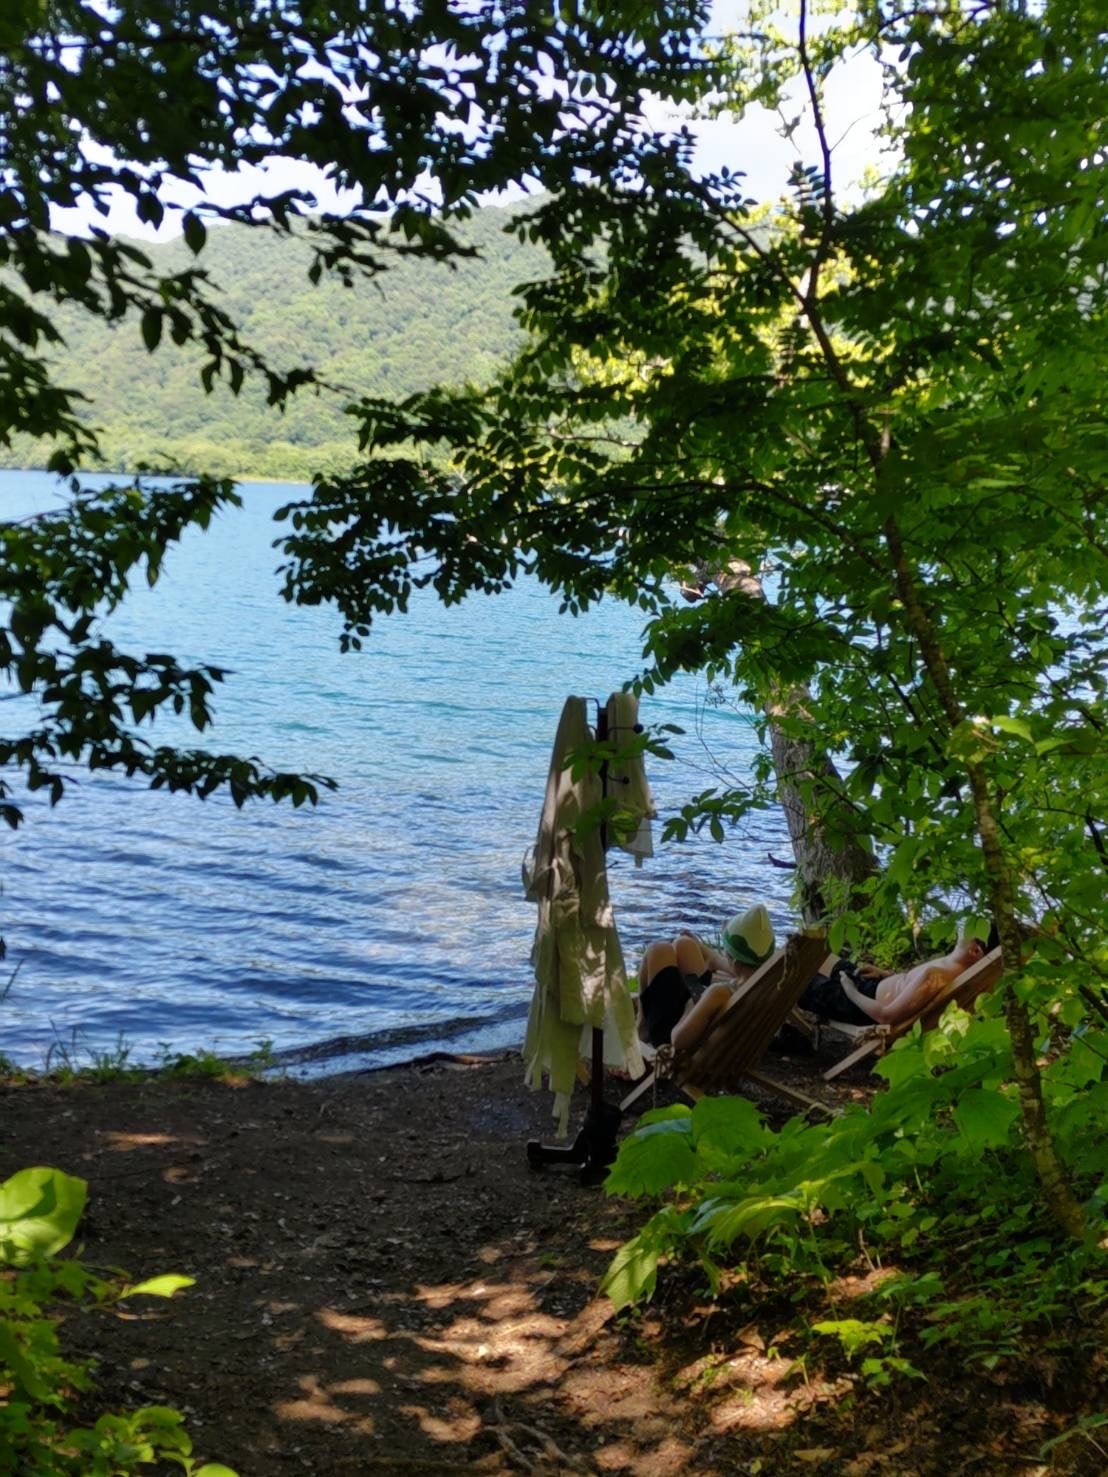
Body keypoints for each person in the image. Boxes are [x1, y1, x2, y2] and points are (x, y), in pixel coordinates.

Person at [636, 904, 776, 1051]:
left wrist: (691, 1005)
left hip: (674, 1040)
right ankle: (711, 959)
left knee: (658, 950)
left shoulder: (718, 993)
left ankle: (642, 1027)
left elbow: (677, 1040)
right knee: (684, 944)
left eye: (726, 953)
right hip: (708, 1024)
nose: (724, 954)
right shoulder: (769, 980)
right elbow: (746, 969)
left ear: (734, 963)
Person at [799, 933, 989, 1029]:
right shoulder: (950, 968)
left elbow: (885, 1016)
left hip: (859, 1004)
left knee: (792, 975)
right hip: (869, 987)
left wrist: (850, 991)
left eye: (971, 928)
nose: (963, 927)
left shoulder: (937, 976)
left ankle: (781, 1034)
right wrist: (884, 974)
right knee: (809, 954)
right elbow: (909, 986)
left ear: (975, 951)